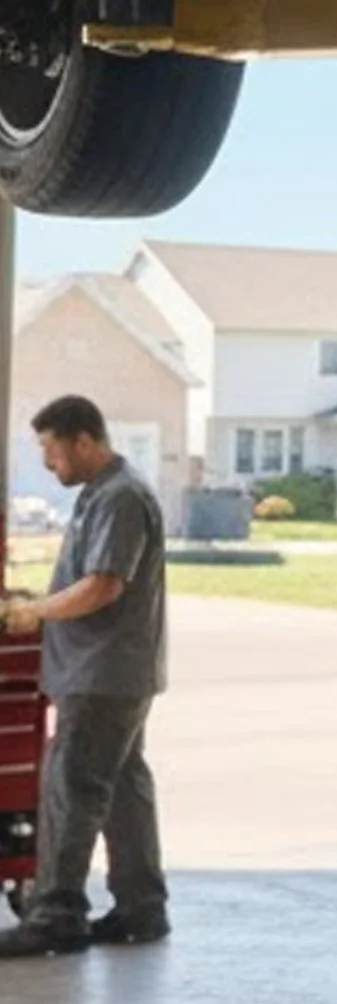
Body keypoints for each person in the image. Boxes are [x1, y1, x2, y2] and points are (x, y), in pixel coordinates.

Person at [0, 396, 171, 957]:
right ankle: (141, 908)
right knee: (123, 787)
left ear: (83, 440)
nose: (48, 464)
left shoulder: (120, 497)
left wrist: (34, 612)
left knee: (70, 786)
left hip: (101, 673)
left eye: (51, 450)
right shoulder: (105, 493)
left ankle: (56, 914)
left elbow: (103, 585)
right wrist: (42, 599)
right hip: (115, 671)